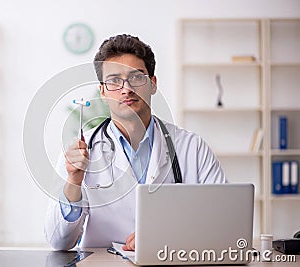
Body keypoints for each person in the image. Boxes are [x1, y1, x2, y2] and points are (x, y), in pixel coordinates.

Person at [44, 34, 227, 251]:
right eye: (113, 81)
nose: (126, 89)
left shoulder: (191, 148)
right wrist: (74, 180)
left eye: (137, 78)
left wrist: (169, 236)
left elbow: (224, 224)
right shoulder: (80, 154)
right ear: (103, 91)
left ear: (153, 84)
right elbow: (59, 242)